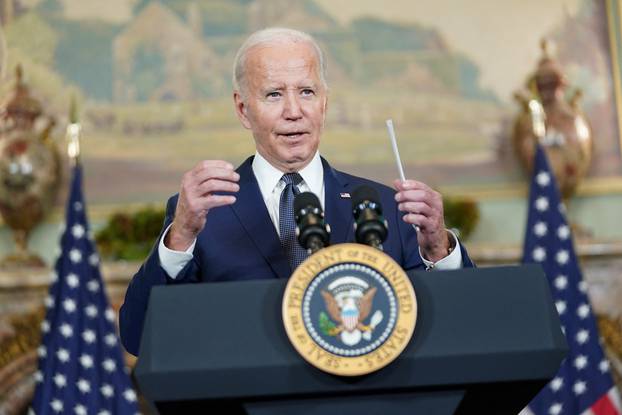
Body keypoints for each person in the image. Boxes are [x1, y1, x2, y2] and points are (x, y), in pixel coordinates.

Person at [119, 28, 474, 356]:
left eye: (306, 92)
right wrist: (180, 235)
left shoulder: (388, 207)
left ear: (324, 103)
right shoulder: (203, 214)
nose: (294, 112)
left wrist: (439, 248)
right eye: (274, 94)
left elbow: (464, 325)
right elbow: (139, 336)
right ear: (243, 109)